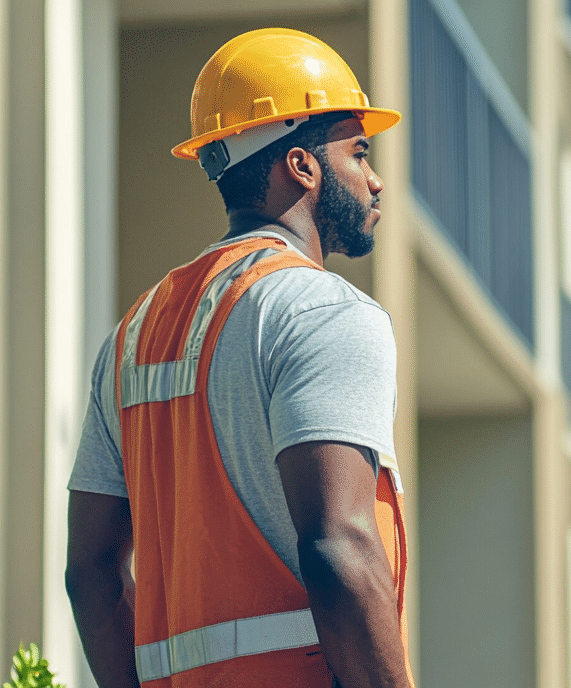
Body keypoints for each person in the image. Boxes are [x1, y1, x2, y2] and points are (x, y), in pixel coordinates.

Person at [63, 28, 411, 688]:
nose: (376, 178)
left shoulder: (131, 337)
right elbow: (342, 546)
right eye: (359, 151)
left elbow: (91, 572)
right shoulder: (325, 313)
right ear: (303, 166)